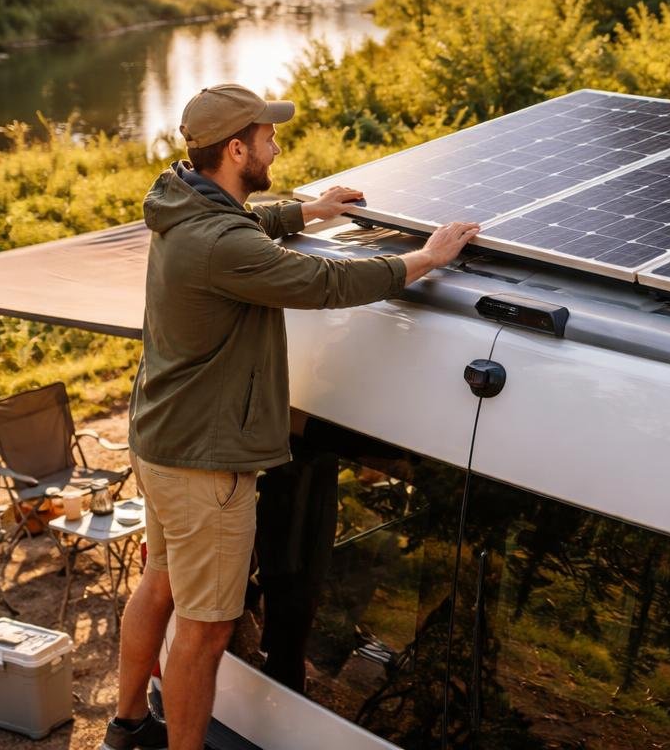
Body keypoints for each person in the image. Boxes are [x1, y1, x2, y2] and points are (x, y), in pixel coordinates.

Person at [104, 83, 479, 750]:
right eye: (268, 136)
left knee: (158, 585)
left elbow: (243, 228)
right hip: (206, 466)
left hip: (161, 440)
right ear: (236, 147)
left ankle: (127, 725)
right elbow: (323, 283)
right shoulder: (220, 244)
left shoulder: (182, 199)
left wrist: (309, 208)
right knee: (206, 628)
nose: (278, 144)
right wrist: (422, 260)